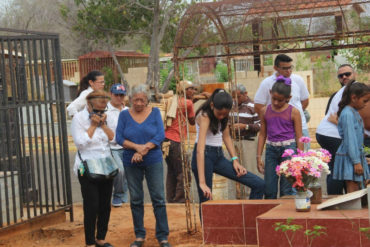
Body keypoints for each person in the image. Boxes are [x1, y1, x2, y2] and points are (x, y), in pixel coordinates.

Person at [115, 84, 171, 247]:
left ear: (147, 99)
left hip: (153, 159)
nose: (139, 103)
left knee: (158, 198)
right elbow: (119, 138)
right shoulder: (124, 115)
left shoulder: (154, 113)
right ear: (130, 99)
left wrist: (144, 149)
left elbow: (160, 135)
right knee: (136, 198)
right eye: (136, 99)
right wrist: (136, 148)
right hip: (130, 161)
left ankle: (163, 236)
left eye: (142, 100)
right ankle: (139, 235)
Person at [191, 89, 264, 209]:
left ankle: (250, 221)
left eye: (224, 114)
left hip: (219, 156)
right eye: (219, 113)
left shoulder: (225, 115)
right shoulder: (204, 116)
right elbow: (200, 150)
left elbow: (226, 137)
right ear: (212, 105)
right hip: (203, 156)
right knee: (206, 198)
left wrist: (235, 160)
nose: (221, 116)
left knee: (259, 184)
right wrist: (202, 183)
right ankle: (208, 228)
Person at [71, 90, 114, 247]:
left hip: (106, 166)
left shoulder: (105, 118)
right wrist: (94, 126)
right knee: (92, 205)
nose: (100, 113)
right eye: (97, 110)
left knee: (105, 204)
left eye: (103, 110)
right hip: (87, 167)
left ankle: (100, 238)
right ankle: (89, 242)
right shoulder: (79, 119)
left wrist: (103, 124)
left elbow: (113, 138)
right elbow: (81, 143)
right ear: (88, 105)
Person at [256, 76, 304, 199]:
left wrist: (300, 159)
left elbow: (299, 136)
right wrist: (258, 156)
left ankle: (286, 216)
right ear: (270, 93)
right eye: (274, 99)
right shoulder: (264, 111)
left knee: (287, 187)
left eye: (280, 100)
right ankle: (271, 215)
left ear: (289, 98)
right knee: (269, 187)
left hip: (289, 150)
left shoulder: (294, 112)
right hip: (271, 149)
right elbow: (262, 134)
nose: (276, 103)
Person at [254, 54, 310, 149]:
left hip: (301, 128)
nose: (288, 71)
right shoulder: (267, 83)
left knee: (303, 160)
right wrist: (274, 120)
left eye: (290, 67)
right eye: (285, 68)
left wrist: (292, 116)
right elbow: (258, 106)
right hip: (277, 131)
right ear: (275, 68)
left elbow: (305, 100)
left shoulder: (298, 80)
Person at [316, 64, 356, 195]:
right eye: (341, 75)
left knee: (340, 168)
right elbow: (331, 118)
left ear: (354, 74)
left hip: (331, 135)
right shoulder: (345, 92)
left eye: (347, 74)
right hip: (333, 135)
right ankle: (335, 200)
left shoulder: (353, 90)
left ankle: (340, 199)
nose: (344, 77)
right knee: (338, 169)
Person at [333, 81, 370, 193]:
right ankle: (353, 211)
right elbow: (350, 139)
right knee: (353, 191)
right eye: (365, 101)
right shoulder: (347, 114)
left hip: (355, 155)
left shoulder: (354, 112)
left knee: (361, 188)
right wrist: (356, 162)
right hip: (349, 157)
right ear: (354, 98)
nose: (366, 104)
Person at [164, 80, 195, 203]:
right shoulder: (188, 103)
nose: (193, 91)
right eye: (191, 89)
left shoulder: (171, 100)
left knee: (172, 171)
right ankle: (180, 200)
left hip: (165, 140)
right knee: (184, 171)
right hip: (176, 140)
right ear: (185, 91)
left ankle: (171, 199)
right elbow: (192, 121)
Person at [106, 83, 129, 207]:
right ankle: (118, 195)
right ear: (111, 94)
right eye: (116, 95)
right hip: (112, 147)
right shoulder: (105, 109)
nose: (119, 98)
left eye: (122, 95)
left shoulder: (127, 110)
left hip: (126, 146)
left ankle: (123, 195)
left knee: (128, 172)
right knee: (119, 171)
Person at [231, 84, 261, 177]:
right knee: (233, 170)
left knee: (249, 170)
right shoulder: (231, 106)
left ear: (245, 94)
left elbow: (260, 125)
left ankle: (251, 191)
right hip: (233, 141)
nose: (235, 99)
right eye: (233, 97)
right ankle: (237, 192)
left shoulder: (253, 106)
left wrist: (245, 126)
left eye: (238, 97)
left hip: (248, 142)